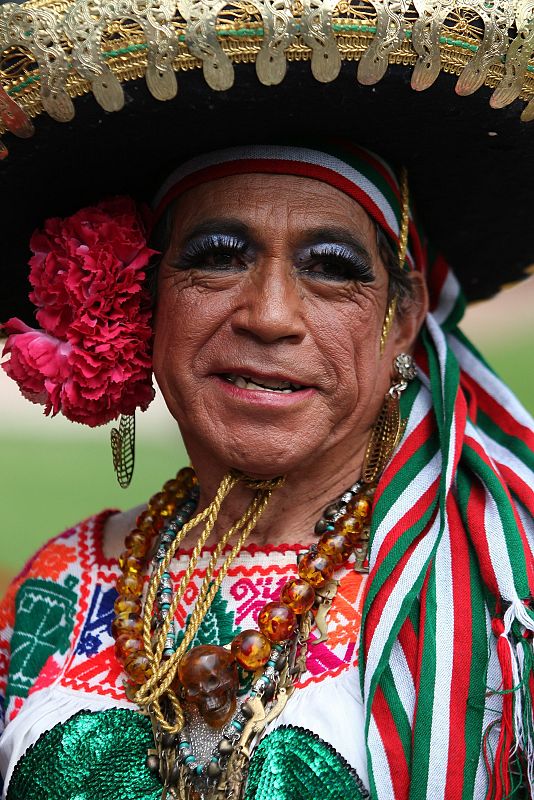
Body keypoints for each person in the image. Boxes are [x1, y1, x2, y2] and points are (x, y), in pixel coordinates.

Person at [0, 4, 533, 800]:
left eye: (332, 266)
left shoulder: (500, 601)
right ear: (145, 302)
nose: (271, 314)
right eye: (217, 255)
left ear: (404, 316)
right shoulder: (56, 585)